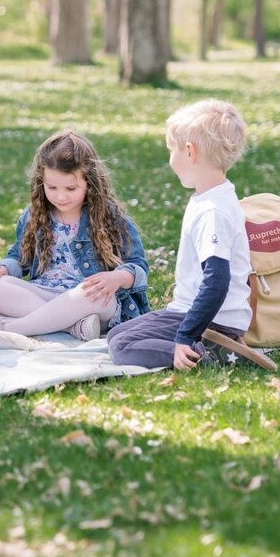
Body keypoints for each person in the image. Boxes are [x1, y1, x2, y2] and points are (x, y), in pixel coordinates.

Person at [108, 99, 252, 370]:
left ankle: (202, 353)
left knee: (121, 346)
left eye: (170, 150)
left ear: (189, 151)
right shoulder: (213, 197)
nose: (170, 159)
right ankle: (202, 345)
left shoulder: (213, 210)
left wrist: (185, 336)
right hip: (193, 311)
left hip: (213, 320)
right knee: (116, 334)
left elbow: (217, 282)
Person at [0, 131, 150, 341]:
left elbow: (138, 265)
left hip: (87, 299)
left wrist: (118, 278)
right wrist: (3, 268)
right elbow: (19, 258)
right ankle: (73, 327)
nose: (61, 196)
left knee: (93, 295)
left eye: (71, 188)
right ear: (41, 182)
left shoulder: (110, 217)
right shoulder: (34, 215)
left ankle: (13, 328)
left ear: (89, 183)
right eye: (52, 187)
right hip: (44, 291)